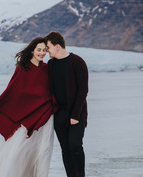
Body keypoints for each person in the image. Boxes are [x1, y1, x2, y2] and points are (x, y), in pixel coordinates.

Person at [0, 37, 57, 177]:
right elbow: (12, 90)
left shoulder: (48, 69)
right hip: (28, 116)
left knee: (44, 150)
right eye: (38, 50)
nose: (41, 53)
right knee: (20, 149)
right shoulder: (23, 68)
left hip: (46, 115)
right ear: (32, 50)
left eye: (44, 50)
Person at [44, 31, 89, 177]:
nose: (46, 50)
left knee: (75, 145)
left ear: (57, 46)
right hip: (59, 113)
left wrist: (75, 115)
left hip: (77, 112)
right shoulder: (51, 64)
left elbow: (83, 90)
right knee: (65, 149)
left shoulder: (77, 62)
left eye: (48, 47)